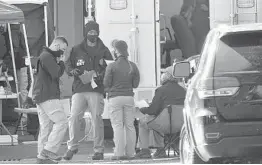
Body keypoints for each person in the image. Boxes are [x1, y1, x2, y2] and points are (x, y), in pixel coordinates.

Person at [64, 21, 113, 161]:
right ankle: (72, 147)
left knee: (97, 119)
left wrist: (102, 69)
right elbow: (68, 64)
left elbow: (111, 68)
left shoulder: (104, 50)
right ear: (86, 33)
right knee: (73, 117)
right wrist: (70, 71)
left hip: (96, 89)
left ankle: (99, 150)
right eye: (90, 32)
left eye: (95, 32)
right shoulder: (76, 49)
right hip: (79, 88)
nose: (93, 35)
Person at [135, 66, 186, 159]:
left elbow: (153, 110)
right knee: (158, 119)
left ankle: (145, 151)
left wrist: (143, 109)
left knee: (144, 121)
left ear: (166, 76)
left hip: (164, 124)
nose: (161, 75)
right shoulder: (183, 90)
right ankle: (161, 150)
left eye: (163, 74)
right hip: (180, 125)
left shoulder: (161, 90)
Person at [32, 36, 69, 163]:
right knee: (62, 122)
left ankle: (41, 157)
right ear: (57, 46)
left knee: (45, 127)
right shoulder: (47, 57)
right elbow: (56, 73)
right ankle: (49, 150)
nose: (63, 53)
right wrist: (62, 62)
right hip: (48, 96)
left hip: (41, 96)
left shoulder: (44, 56)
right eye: (63, 49)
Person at [103, 40, 140, 160]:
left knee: (118, 126)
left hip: (115, 98)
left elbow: (106, 83)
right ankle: (131, 153)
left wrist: (111, 89)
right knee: (130, 126)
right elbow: (135, 84)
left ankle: (119, 153)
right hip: (129, 98)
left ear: (116, 51)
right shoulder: (132, 65)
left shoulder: (111, 66)